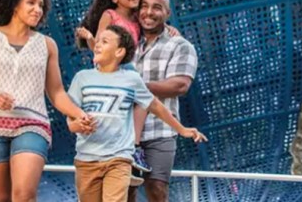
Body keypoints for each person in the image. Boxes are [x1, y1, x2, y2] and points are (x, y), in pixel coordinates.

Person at [0, 0, 94, 202]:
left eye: (40, 4)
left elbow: (56, 92)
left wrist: (79, 114)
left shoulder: (47, 45)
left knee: (24, 195)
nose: (38, 9)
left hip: (33, 123)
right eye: (31, 3)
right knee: (0, 198)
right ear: (14, 2)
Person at [67, 25, 207, 202]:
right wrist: (74, 125)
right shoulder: (82, 77)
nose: (97, 45)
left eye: (104, 41)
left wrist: (181, 129)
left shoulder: (131, 79)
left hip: (118, 159)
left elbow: (154, 105)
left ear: (119, 52)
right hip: (86, 159)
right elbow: (70, 112)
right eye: (98, 41)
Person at [75, 0, 156, 179]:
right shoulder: (110, 16)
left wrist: (170, 30)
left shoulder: (138, 20)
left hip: (128, 70)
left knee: (139, 103)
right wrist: (90, 38)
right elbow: (99, 48)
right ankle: (131, 150)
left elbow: (155, 27)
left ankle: (129, 151)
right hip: (113, 69)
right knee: (141, 97)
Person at [129, 0, 199, 202]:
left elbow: (180, 85)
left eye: (157, 8)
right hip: (124, 132)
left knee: (157, 190)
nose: (149, 12)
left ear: (167, 13)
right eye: (144, 6)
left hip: (160, 131)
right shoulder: (126, 43)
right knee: (123, 192)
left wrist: (135, 87)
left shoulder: (180, 45)